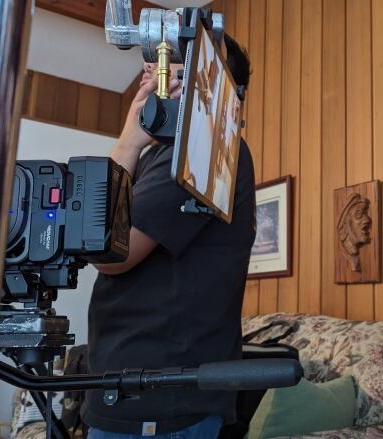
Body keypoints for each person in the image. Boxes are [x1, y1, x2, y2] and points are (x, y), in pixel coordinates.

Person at [83, 33, 255, 438]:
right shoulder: (162, 153)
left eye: (174, 60)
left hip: (163, 399)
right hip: (134, 388)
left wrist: (129, 138)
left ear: (211, 82)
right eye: (153, 61)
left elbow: (109, 252)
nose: (152, 67)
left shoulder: (203, 146)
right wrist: (132, 138)